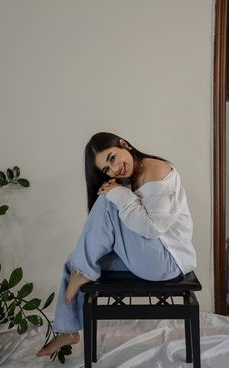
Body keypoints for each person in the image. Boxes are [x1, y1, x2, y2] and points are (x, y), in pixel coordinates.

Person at [36, 132, 196, 356]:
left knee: (107, 199)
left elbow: (152, 229)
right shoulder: (131, 177)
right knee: (75, 260)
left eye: (112, 158)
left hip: (168, 261)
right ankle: (68, 330)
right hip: (149, 256)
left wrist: (119, 193)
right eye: (107, 169)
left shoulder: (158, 170)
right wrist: (119, 191)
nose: (114, 169)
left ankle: (83, 271)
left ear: (124, 144)